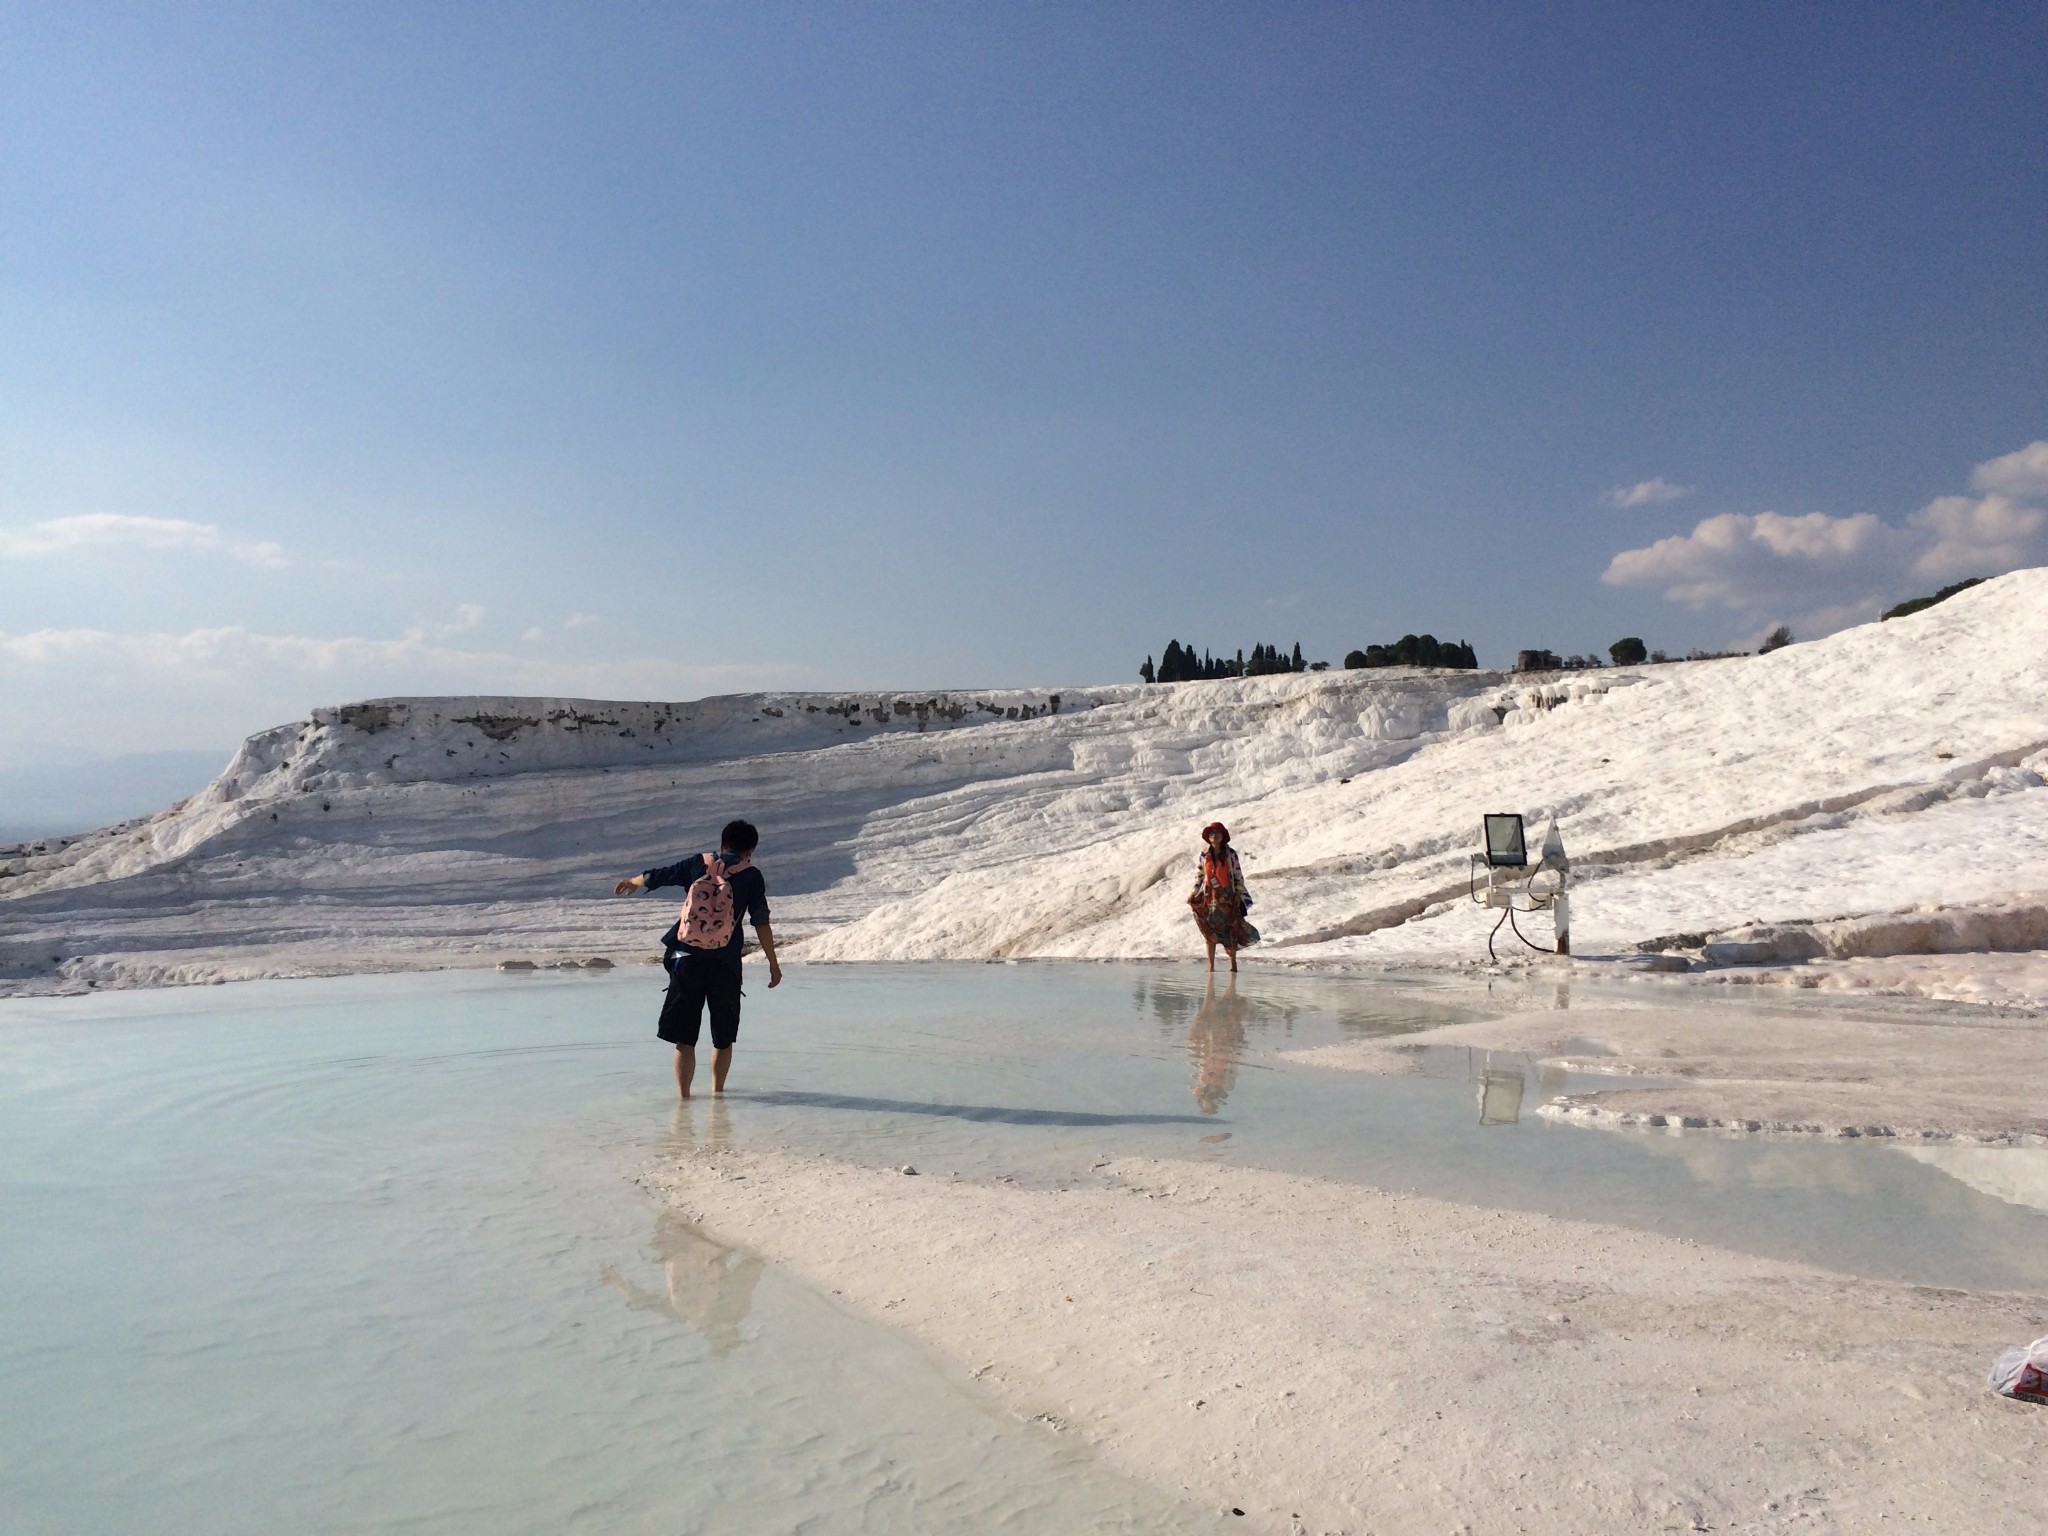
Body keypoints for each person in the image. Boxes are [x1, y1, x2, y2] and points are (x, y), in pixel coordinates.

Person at [614, 818, 781, 1097]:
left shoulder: (698, 863)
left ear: (721, 844)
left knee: (685, 1037)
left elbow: (660, 875)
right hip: (725, 963)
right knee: (723, 1037)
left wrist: (633, 881)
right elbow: (761, 921)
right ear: (749, 850)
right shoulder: (751, 876)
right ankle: (718, 1096)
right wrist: (773, 965)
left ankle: (684, 1101)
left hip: (686, 957)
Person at [1187, 820, 1256, 972]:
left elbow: (1237, 874)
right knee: (1209, 929)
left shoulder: (1230, 854)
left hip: (1227, 896)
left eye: (1217, 833)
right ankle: (1211, 965)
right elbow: (1200, 874)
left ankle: (1233, 965)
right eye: (1212, 833)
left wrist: (1238, 893)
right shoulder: (1204, 854)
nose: (1214, 836)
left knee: (1229, 929)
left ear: (1222, 835)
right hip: (1209, 896)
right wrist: (1193, 891)